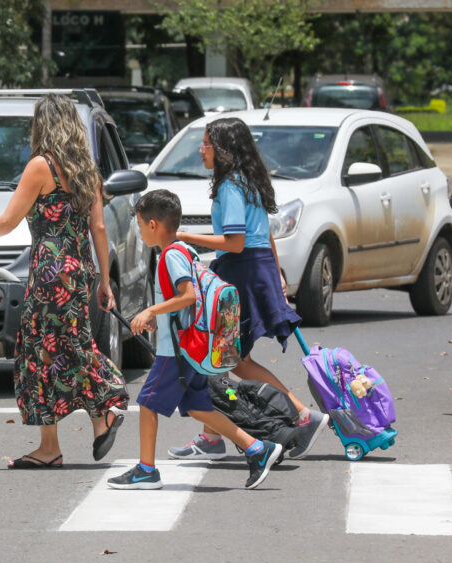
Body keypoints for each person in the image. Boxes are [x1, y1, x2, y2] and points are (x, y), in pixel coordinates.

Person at [0, 94, 128, 469]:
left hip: (48, 273)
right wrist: (105, 280)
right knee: (61, 346)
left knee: (41, 351)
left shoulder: (40, 166)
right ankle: (88, 426)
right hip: (78, 271)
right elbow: (98, 226)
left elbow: (9, 220)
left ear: (42, 125)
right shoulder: (86, 169)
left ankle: (106, 402)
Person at [169, 117, 330, 461]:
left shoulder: (231, 187)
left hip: (240, 273)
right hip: (252, 271)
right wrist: (276, 273)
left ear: (224, 150)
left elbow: (236, 242)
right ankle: (212, 438)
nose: (201, 150)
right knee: (220, 359)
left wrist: (182, 236)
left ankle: (302, 414)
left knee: (233, 360)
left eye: (207, 144)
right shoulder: (247, 181)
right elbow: (265, 236)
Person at [108, 189, 283, 490]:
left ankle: (146, 470)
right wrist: (158, 320)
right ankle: (257, 448)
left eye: (139, 225)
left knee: (148, 404)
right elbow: (186, 301)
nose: (139, 231)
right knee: (198, 406)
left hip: (175, 352)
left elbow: (187, 296)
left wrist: (151, 310)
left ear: (153, 225)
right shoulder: (184, 250)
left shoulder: (170, 256)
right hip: (188, 346)